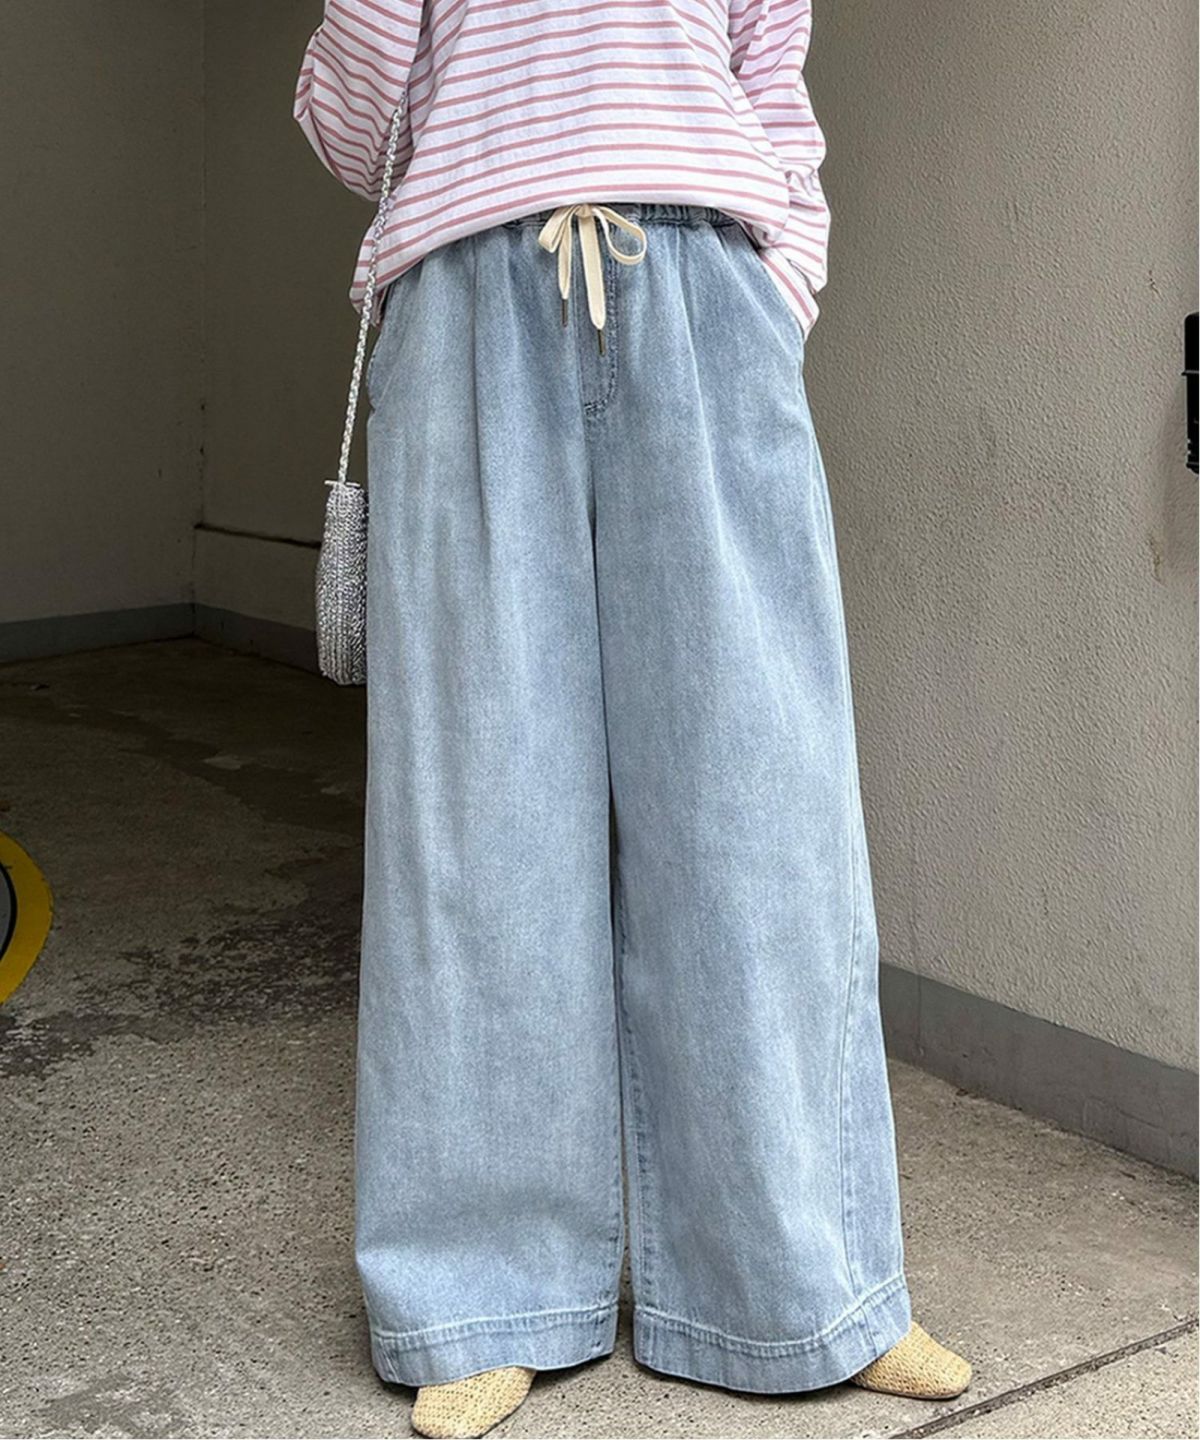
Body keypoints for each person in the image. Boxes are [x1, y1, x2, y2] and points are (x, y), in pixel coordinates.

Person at [294, 3, 971, 1435]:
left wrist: (778, 290)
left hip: (705, 299)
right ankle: (481, 1294)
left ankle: (804, 1283)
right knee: (478, 815)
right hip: (467, 298)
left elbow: (774, 86)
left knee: (758, 804)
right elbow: (353, 126)